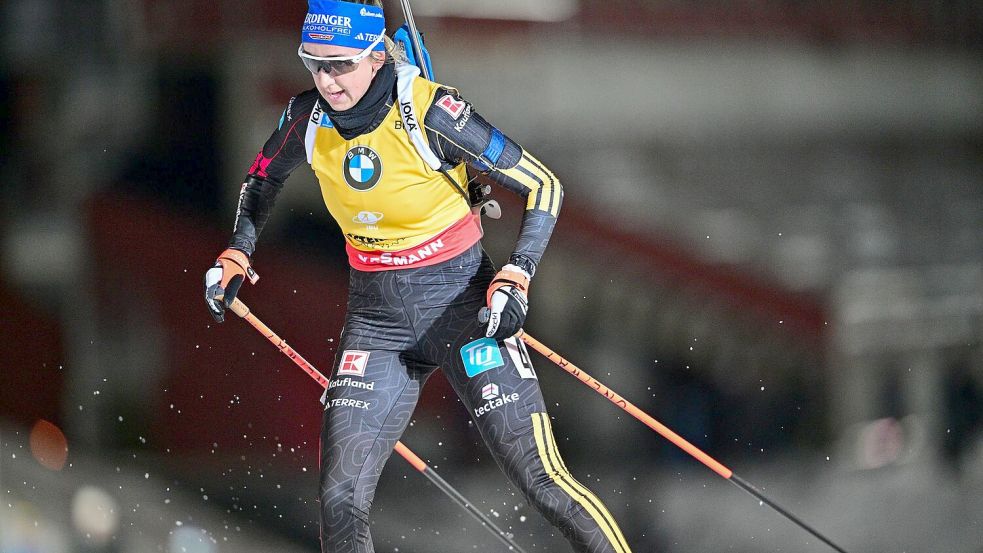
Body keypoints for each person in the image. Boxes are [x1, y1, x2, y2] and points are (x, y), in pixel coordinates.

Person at [203, 1, 633, 551]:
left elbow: (544, 184)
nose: (326, 80)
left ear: (377, 56)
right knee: (339, 501)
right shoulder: (306, 118)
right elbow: (260, 181)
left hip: (464, 309)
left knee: (542, 481)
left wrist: (517, 276)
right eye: (314, 64)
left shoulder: (430, 112)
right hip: (376, 325)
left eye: (341, 65)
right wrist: (239, 250)